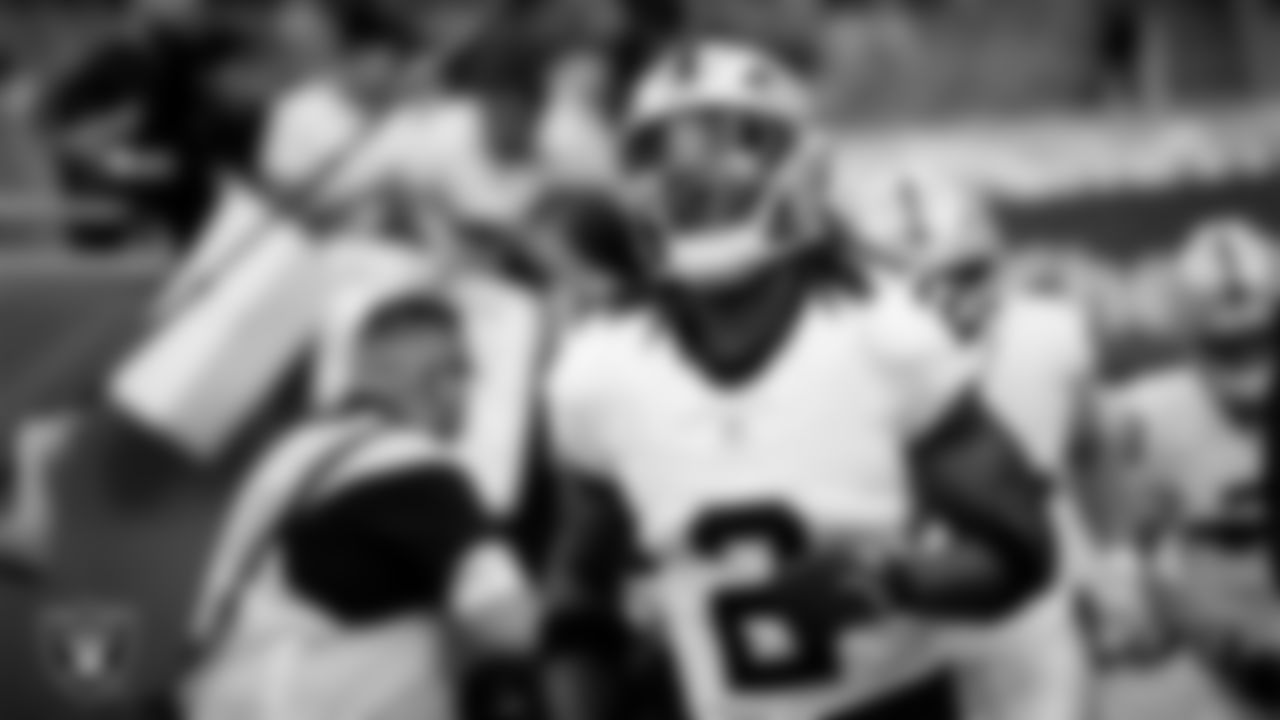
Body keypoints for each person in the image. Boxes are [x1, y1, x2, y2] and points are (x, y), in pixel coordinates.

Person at [541, 38, 1057, 720]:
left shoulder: (889, 336)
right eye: (671, 158)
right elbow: (580, 596)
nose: (703, 184)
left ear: (801, 164)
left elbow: (1020, 550)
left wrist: (890, 582)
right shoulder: (598, 371)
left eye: (736, 149)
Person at [182, 287, 536, 720]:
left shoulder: (292, 451)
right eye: (465, 370)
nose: (469, 389)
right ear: (437, 377)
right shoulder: (412, 465)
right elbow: (510, 627)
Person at [844, 173, 1099, 720]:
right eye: (909, 281)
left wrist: (1110, 561)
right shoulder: (839, 355)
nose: (943, 299)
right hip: (904, 629)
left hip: (1029, 617)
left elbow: (1087, 453)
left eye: (963, 274)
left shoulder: (1048, 333)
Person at [1090, 218, 1280, 720]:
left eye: (1262, 338)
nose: (1250, 363)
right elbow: (1130, 558)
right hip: (1215, 646)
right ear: (1190, 335)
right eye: (1229, 345)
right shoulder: (1143, 417)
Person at [38, 0, 253, 251]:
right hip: (127, 211)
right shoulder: (119, 62)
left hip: (192, 201)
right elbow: (61, 125)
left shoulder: (198, 57)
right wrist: (122, 162)